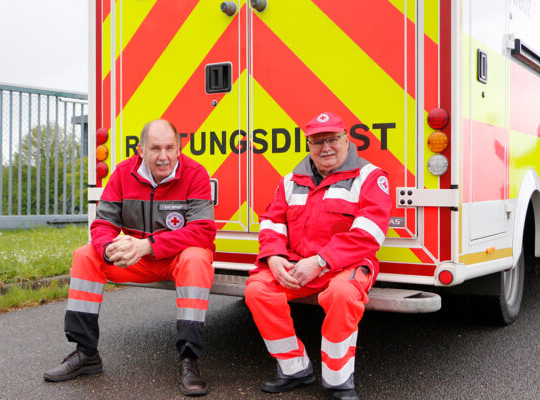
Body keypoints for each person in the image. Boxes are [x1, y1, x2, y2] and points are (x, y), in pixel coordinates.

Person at [43, 119, 217, 396]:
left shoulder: (195, 173)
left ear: (179, 148)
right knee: (85, 255)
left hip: (174, 259)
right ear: (141, 151)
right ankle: (86, 354)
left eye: (170, 148)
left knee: (196, 258)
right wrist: (108, 248)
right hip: (138, 261)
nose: (163, 156)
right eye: (155, 148)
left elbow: (203, 231)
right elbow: (102, 223)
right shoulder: (124, 173)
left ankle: (189, 359)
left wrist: (148, 245)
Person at [244, 112, 391, 400]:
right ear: (308, 145)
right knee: (258, 290)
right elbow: (272, 221)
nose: (326, 148)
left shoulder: (370, 177)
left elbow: (368, 235)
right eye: (317, 142)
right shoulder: (291, 180)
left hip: (345, 265)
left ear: (347, 139)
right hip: (300, 263)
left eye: (333, 139)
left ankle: (338, 381)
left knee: (341, 295)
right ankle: (294, 368)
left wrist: (321, 261)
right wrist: (273, 257)